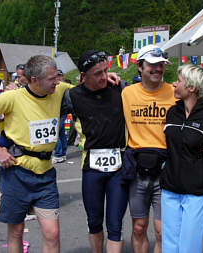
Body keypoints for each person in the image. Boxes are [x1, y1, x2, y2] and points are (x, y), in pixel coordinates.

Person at [121, 45, 203, 253]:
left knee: (181, 242)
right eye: (153, 64)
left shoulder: (201, 114)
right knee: (155, 236)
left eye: (161, 65)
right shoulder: (167, 111)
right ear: (139, 67)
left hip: (189, 186)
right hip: (158, 179)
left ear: (191, 88)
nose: (159, 69)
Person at [0, 55, 72, 252]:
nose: (57, 82)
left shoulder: (58, 90)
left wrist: (110, 77)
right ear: (35, 80)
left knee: (53, 233)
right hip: (16, 174)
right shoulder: (11, 97)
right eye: (52, 79)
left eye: (57, 77)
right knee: (16, 231)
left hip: (46, 175)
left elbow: (88, 89)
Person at [63, 50, 128, 253]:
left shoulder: (119, 87)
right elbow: (44, 99)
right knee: (94, 222)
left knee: (115, 227)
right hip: (91, 167)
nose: (103, 77)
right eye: (97, 73)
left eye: (105, 71)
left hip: (119, 167)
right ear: (84, 76)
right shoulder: (72, 96)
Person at [160, 64, 203, 253]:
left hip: (196, 193)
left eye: (179, 81)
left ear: (191, 87)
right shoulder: (172, 113)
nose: (174, 84)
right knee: (169, 246)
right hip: (170, 189)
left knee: (189, 246)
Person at [53, 70, 68, 164]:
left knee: (55, 134)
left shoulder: (64, 86)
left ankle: (58, 154)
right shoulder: (57, 86)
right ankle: (62, 153)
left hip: (61, 112)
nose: (58, 77)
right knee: (61, 133)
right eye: (56, 75)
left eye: (60, 75)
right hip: (59, 112)